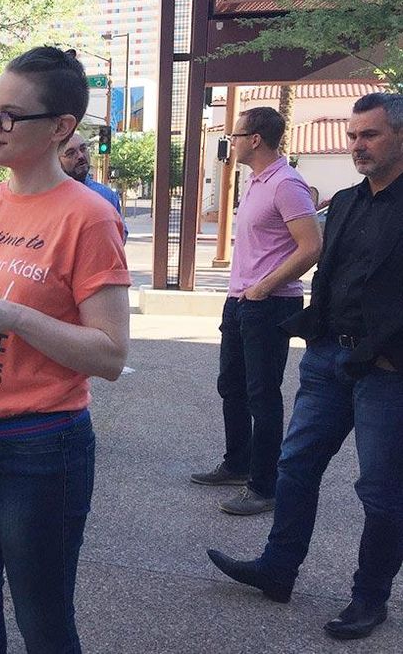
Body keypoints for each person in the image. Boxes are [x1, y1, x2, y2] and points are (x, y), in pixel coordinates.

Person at [0, 46, 130, 653]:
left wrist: (16, 317)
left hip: (39, 446)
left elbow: (110, 355)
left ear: (61, 127)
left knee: (43, 621)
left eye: (12, 115)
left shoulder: (89, 217)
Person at [207, 92, 403, 641]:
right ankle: (278, 569)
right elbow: (330, 271)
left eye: (370, 135)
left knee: (381, 492)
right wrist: (316, 334)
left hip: (387, 370)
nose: (357, 145)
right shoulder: (346, 201)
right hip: (329, 357)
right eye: (353, 135)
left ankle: (369, 598)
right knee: (295, 467)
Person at [191, 107, 321, 515]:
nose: (231, 140)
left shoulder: (286, 183)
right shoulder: (255, 180)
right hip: (240, 301)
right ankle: (237, 464)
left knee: (262, 395)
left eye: (235, 134)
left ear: (255, 139)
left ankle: (265, 487)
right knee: (231, 386)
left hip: (270, 304)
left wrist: (265, 287)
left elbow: (312, 246)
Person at [59, 130, 127, 242]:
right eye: (71, 153)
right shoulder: (50, 196)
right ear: (57, 161)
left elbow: (121, 235)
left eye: (83, 149)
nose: (80, 156)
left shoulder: (106, 195)